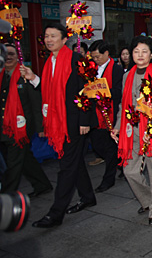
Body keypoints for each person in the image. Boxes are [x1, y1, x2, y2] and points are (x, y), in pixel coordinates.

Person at [25, 23, 97, 228]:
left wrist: (84, 120)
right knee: (74, 162)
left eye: (53, 36)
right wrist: (33, 79)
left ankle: (55, 214)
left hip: (73, 122)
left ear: (64, 39)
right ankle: (87, 196)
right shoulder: (50, 62)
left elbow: (87, 90)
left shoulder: (75, 60)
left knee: (66, 166)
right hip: (58, 120)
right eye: (46, 36)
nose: (48, 40)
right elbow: (50, 91)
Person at [111, 36, 152, 225]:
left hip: (151, 130)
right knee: (130, 171)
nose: (140, 55)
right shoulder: (127, 75)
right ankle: (148, 200)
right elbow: (122, 105)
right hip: (130, 130)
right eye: (136, 51)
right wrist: (117, 126)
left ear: (151, 54)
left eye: (144, 51)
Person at [0, 43, 52, 196]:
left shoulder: (25, 75)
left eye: (12, 54)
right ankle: (42, 184)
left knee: (13, 162)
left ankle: (8, 195)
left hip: (22, 127)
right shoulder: (1, 75)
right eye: (6, 54)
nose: (9, 57)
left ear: (18, 57)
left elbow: (36, 103)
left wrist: (41, 127)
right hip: (4, 126)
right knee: (25, 158)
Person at [88, 40, 123, 193]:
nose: (95, 60)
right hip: (95, 114)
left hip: (111, 113)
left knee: (110, 149)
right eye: (93, 57)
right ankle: (121, 162)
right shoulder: (90, 69)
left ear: (106, 53)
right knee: (98, 145)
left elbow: (119, 91)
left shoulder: (116, 70)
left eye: (98, 57)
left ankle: (108, 179)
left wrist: (104, 92)